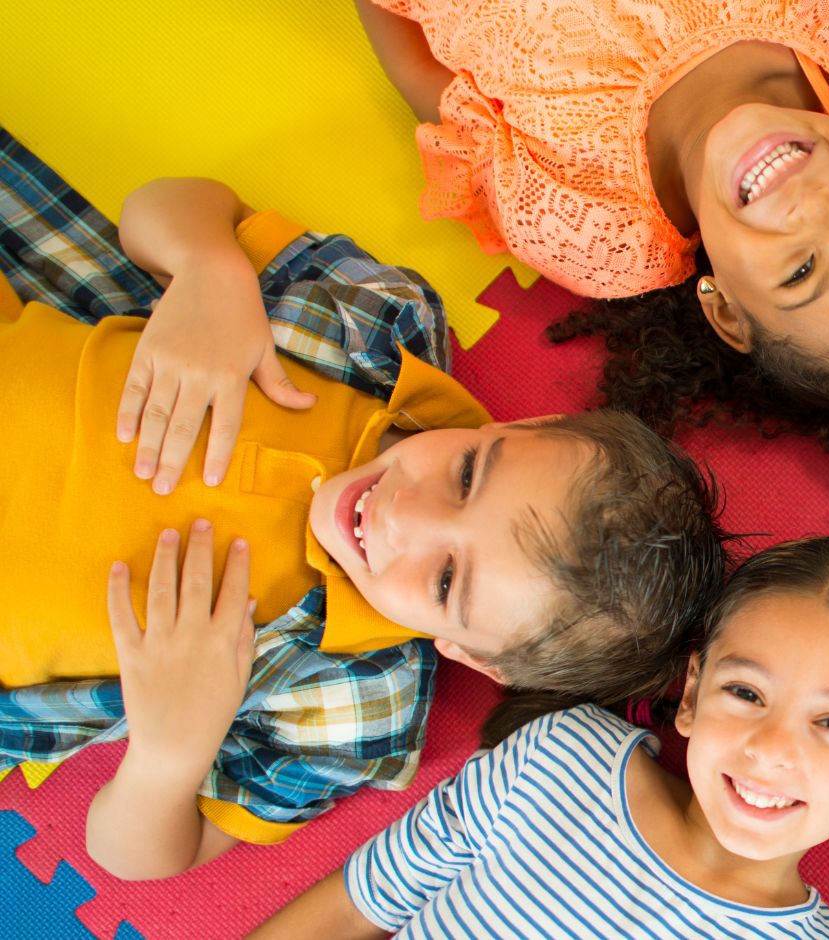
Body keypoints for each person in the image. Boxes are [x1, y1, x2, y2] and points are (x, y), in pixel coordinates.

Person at [0, 131, 726, 880]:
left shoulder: (351, 706)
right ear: (521, 427)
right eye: (469, 475)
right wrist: (206, 267)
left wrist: (167, 751)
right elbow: (158, 210)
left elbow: (139, 859)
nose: (402, 515)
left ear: (471, 656)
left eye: (447, 581)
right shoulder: (377, 331)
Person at [355, 0, 829, 491]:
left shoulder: (582, 223)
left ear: (724, 308)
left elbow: (417, 68)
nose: (806, 203)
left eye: (802, 270)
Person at [255, 537, 829, 940]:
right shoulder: (560, 758)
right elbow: (352, 910)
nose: (771, 747)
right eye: (745, 693)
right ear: (691, 694)